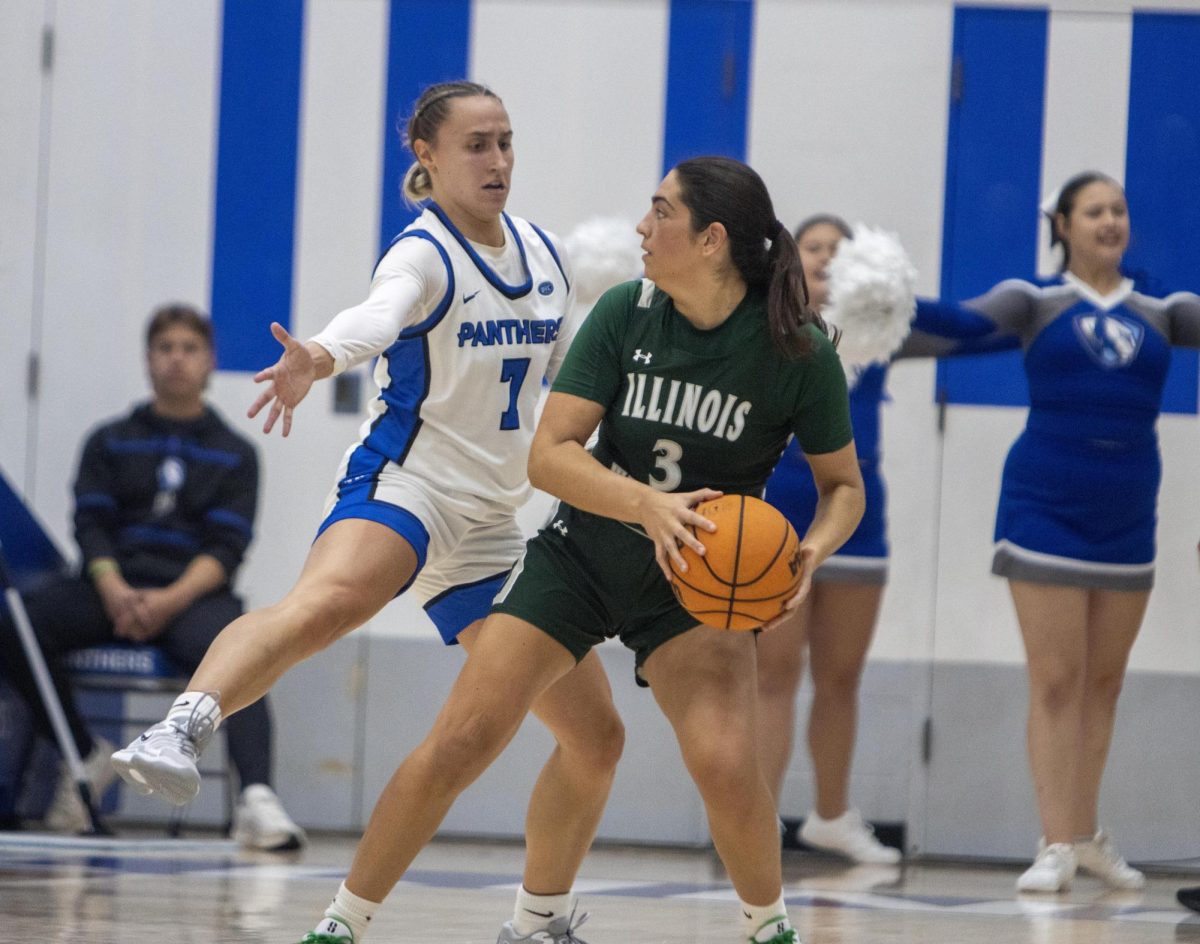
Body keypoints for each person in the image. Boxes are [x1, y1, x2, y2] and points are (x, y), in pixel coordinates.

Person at [283, 155, 865, 944]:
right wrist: (647, 506)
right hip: (583, 553)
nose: (641, 226)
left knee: (727, 767)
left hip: (695, 586)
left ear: (711, 240)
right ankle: (342, 924)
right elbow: (550, 453)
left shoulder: (797, 354)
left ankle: (767, 929)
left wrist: (811, 553)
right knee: (466, 735)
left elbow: (843, 488)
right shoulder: (627, 312)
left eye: (660, 211)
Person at [111, 81, 626, 940]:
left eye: (505, 142)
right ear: (427, 155)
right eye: (476, 145)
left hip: (497, 525)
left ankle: (537, 920)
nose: (497, 160)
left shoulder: (543, 253)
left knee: (597, 735)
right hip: (407, 485)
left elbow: (566, 380)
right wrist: (317, 354)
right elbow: (376, 318)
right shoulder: (423, 254)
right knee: (328, 606)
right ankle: (182, 728)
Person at [914, 171, 1200, 893]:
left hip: (1129, 514)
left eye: (1119, 211)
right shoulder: (1033, 301)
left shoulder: (1164, 309)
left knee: (1103, 684)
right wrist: (866, 306)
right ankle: (1052, 842)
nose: (1110, 222)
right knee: (1057, 681)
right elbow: (952, 322)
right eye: (1094, 211)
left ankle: (1086, 834)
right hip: (1045, 509)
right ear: (1063, 226)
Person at [0, 303, 305, 850]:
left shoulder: (234, 453)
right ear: (148, 360)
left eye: (189, 348)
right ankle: (83, 754)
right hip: (110, 588)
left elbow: (227, 547)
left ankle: (256, 799)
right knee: (15, 623)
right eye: (165, 348)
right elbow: (90, 524)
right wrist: (114, 588)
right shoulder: (109, 439)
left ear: (209, 361)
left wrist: (170, 599)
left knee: (252, 645)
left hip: (191, 597)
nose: (176, 360)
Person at [757, 215, 900, 864]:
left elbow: (974, 330)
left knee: (841, 678)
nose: (824, 258)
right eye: (812, 247)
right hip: (777, 521)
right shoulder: (763, 329)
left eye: (838, 251)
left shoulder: (878, 331)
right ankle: (753, 818)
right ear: (791, 259)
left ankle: (832, 816)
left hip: (859, 523)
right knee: (774, 676)